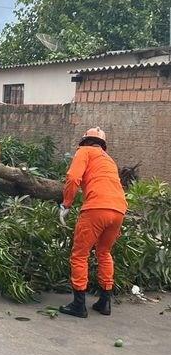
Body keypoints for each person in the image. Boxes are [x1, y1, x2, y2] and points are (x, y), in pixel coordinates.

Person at [58, 127, 127, 318]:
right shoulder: (109, 160)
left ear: (85, 141)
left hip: (96, 208)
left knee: (80, 255)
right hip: (119, 209)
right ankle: (105, 302)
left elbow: (73, 178)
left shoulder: (84, 151)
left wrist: (66, 203)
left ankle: (79, 305)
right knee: (104, 253)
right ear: (103, 145)